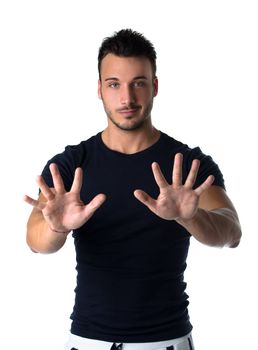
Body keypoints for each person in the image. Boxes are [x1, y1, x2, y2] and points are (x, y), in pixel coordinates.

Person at [24, 29, 242, 350]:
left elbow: (232, 233)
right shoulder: (71, 164)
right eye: (114, 85)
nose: (127, 98)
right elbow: (35, 241)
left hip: (167, 340)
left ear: (154, 87)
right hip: (88, 340)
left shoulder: (187, 165)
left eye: (138, 83)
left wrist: (191, 218)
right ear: (100, 89)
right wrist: (57, 228)